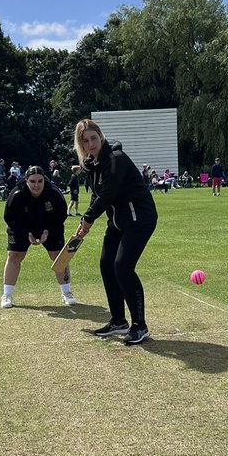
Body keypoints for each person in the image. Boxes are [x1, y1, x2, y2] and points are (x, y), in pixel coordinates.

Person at [73, 118, 157, 345]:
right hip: (118, 221)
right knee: (106, 264)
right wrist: (84, 224)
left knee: (123, 267)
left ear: (101, 136)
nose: (91, 144)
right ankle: (119, 321)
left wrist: (88, 218)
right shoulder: (93, 163)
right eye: (85, 141)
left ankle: (140, 326)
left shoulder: (115, 159)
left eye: (93, 138)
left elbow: (107, 194)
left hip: (139, 217)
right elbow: (95, 195)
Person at [0, 166, 76, 309]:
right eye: (32, 181)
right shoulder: (17, 193)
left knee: (59, 256)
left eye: (40, 181)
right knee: (14, 256)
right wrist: (26, 233)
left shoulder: (53, 192)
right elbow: (9, 217)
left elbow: (61, 215)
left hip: (50, 225)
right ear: (26, 181)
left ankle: (66, 293)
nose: (36, 185)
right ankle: (7, 295)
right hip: (21, 226)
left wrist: (47, 231)